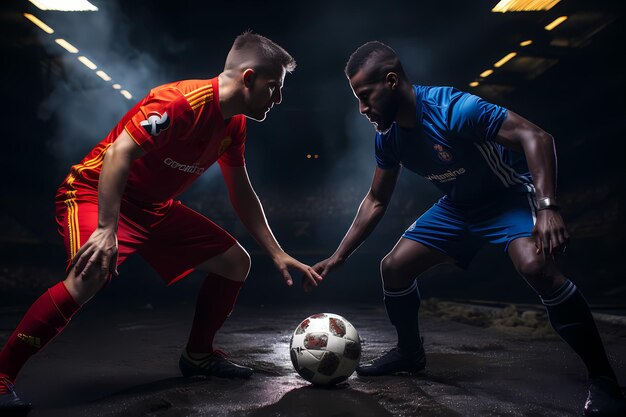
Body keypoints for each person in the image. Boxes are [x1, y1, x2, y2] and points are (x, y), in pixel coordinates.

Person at [0, 31, 323, 413]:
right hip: (94, 190)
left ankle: (198, 355)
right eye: (274, 88)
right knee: (88, 277)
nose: (279, 99)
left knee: (236, 263)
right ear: (249, 78)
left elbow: (242, 191)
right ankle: (3, 372)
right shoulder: (180, 102)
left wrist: (277, 252)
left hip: (154, 207)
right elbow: (119, 153)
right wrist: (107, 228)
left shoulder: (234, 124)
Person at [307, 41, 625, 416]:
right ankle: (410, 353)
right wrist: (339, 255)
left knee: (536, 267)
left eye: (365, 96)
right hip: (458, 209)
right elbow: (376, 200)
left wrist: (548, 207)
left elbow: (536, 137)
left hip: (505, 198)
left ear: (391, 82)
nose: (363, 109)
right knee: (393, 268)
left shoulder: (455, 109)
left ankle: (603, 379)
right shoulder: (389, 139)